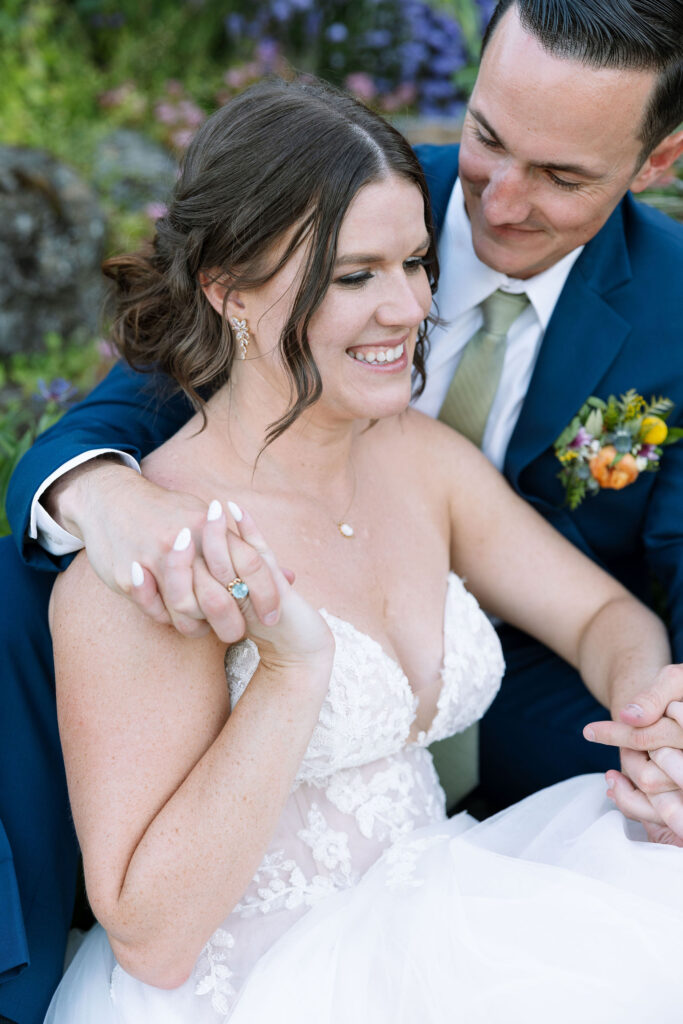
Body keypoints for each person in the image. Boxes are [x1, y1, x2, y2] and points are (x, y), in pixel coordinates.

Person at [2, 1, 683, 1020]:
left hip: (461, 847)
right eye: (487, 139)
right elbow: (151, 930)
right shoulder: (344, 189)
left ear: (655, 160)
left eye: (412, 267)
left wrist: (655, 718)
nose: (416, 300)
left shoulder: (424, 455)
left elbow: (609, 614)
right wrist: (108, 506)